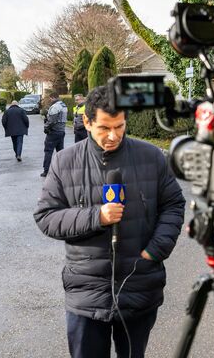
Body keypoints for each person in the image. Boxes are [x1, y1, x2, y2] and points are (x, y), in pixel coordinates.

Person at [34, 86, 186, 358]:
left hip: (139, 286)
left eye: (120, 126)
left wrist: (157, 249)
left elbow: (173, 204)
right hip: (86, 292)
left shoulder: (151, 157)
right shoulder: (65, 162)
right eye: (105, 128)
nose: (113, 135)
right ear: (87, 122)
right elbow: (46, 217)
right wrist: (97, 216)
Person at [41, 92, 67, 177]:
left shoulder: (55, 107)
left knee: (48, 151)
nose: (50, 100)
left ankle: (46, 170)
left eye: (50, 98)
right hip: (61, 131)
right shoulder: (63, 105)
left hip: (54, 132)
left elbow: (52, 121)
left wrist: (46, 128)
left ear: (53, 98)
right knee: (60, 152)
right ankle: (62, 170)